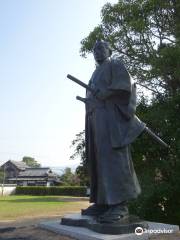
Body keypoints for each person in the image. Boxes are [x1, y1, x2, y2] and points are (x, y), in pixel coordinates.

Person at [82, 40, 145, 224]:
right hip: (96, 120)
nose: (97, 52)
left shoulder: (115, 64)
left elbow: (127, 86)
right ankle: (103, 202)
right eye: (94, 50)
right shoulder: (94, 73)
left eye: (101, 48)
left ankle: (120, 205)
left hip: (111, 120)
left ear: (109, 50)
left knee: (113, 158)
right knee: (98, 159)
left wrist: (107, 93)